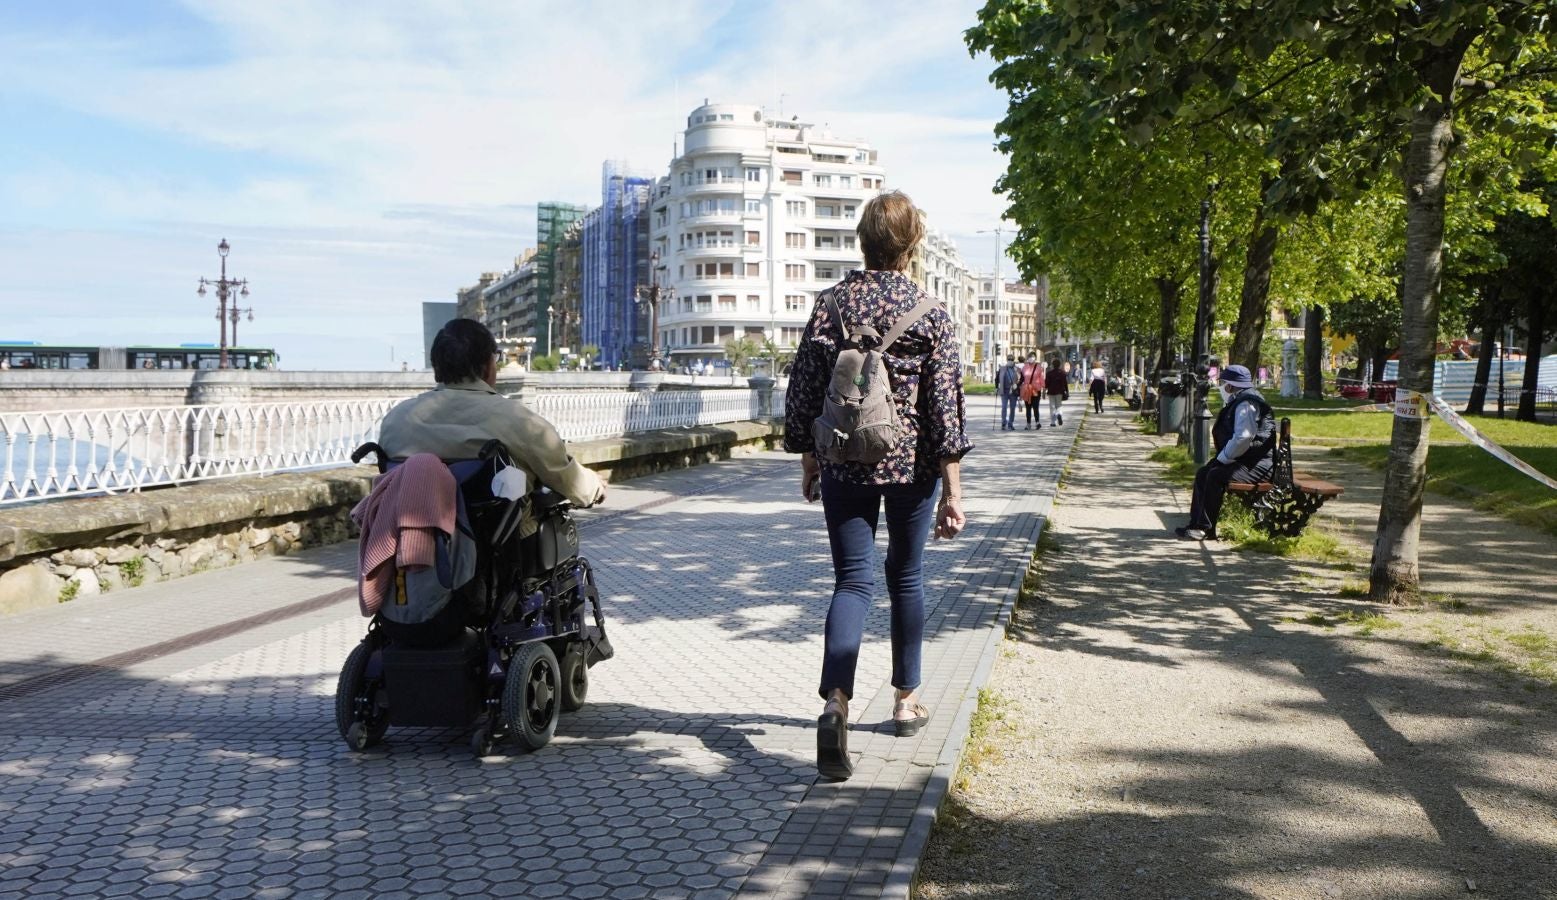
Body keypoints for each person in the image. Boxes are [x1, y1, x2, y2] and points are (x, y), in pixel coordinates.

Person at [783, 190, 972, 781]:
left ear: (862, 241)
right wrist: (954, 489)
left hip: (843, 459)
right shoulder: (930, 312)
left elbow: (806, 390)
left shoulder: (829, 306)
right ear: (912, 244)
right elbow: (945, 409)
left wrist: (809, 457)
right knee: (907, 576)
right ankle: (905, 700)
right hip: (911, 465)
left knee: (852, 581)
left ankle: (836, 701)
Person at [378, 318, 606, 542]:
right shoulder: (519, 421)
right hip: (503, 552)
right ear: (488, 366)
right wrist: (594, 486)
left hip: (419, 549)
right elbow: (565, 476)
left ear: (437, 369)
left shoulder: (396, 421)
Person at [1175, 364, 1277, 541]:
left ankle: (1205, 529)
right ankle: (1197, 524)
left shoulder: (1246, 403)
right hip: (1248, 460)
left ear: (1230, 386)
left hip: (1258, 465)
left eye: (1223, 383)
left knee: (1215, 475)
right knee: (1204, 473)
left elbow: (1243, 437)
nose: (1222, 387)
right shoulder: (1241, 399)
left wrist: (1223, 459)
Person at [995, 354, 1020, 430]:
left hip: (1013, 392)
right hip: (1004, 391)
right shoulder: (1002, 368)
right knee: (1004, 407)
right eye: (1009, 359)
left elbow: (1021, 379)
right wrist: (996, 387)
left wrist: (1017, 385)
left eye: (1012, 359)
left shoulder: (1017, 369)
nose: (1010, 361)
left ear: (1014, 360)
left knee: (1012, 409)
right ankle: (1003, 423)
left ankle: (1010, 423)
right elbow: (997, 379)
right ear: (1007, 360)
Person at [1044, 358, 1068, 426]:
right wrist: (1067, 391)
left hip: (1051, 392)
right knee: (1059, 405)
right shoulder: (1062, 373)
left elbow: (1046, 384)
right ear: (1059, 365)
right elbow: (1065, 383)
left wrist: (1044, 391)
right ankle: (1059, 414)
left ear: (1052, 365)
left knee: (1052, 407)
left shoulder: (1049, 373)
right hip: (1060, 392)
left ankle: (1053, 422)